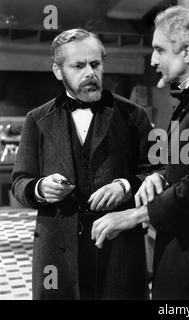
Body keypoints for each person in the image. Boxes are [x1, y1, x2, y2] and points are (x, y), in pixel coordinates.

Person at [91, 5, 189, 300]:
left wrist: (135, 215)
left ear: (187, 52)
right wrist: (161, 176)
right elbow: (187, 163)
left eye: (159, 50)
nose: (152, 60)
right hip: (180, 248)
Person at [11, 28, 154, 300]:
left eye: (96, 64)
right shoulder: (36, 119)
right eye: (78, 66)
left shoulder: (133, 115)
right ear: (58, 70)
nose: (90, 73)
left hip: (118, 247)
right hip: (57, 250)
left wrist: (125, 186)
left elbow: (157, 171)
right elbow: (20, 182)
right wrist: (40, 188)